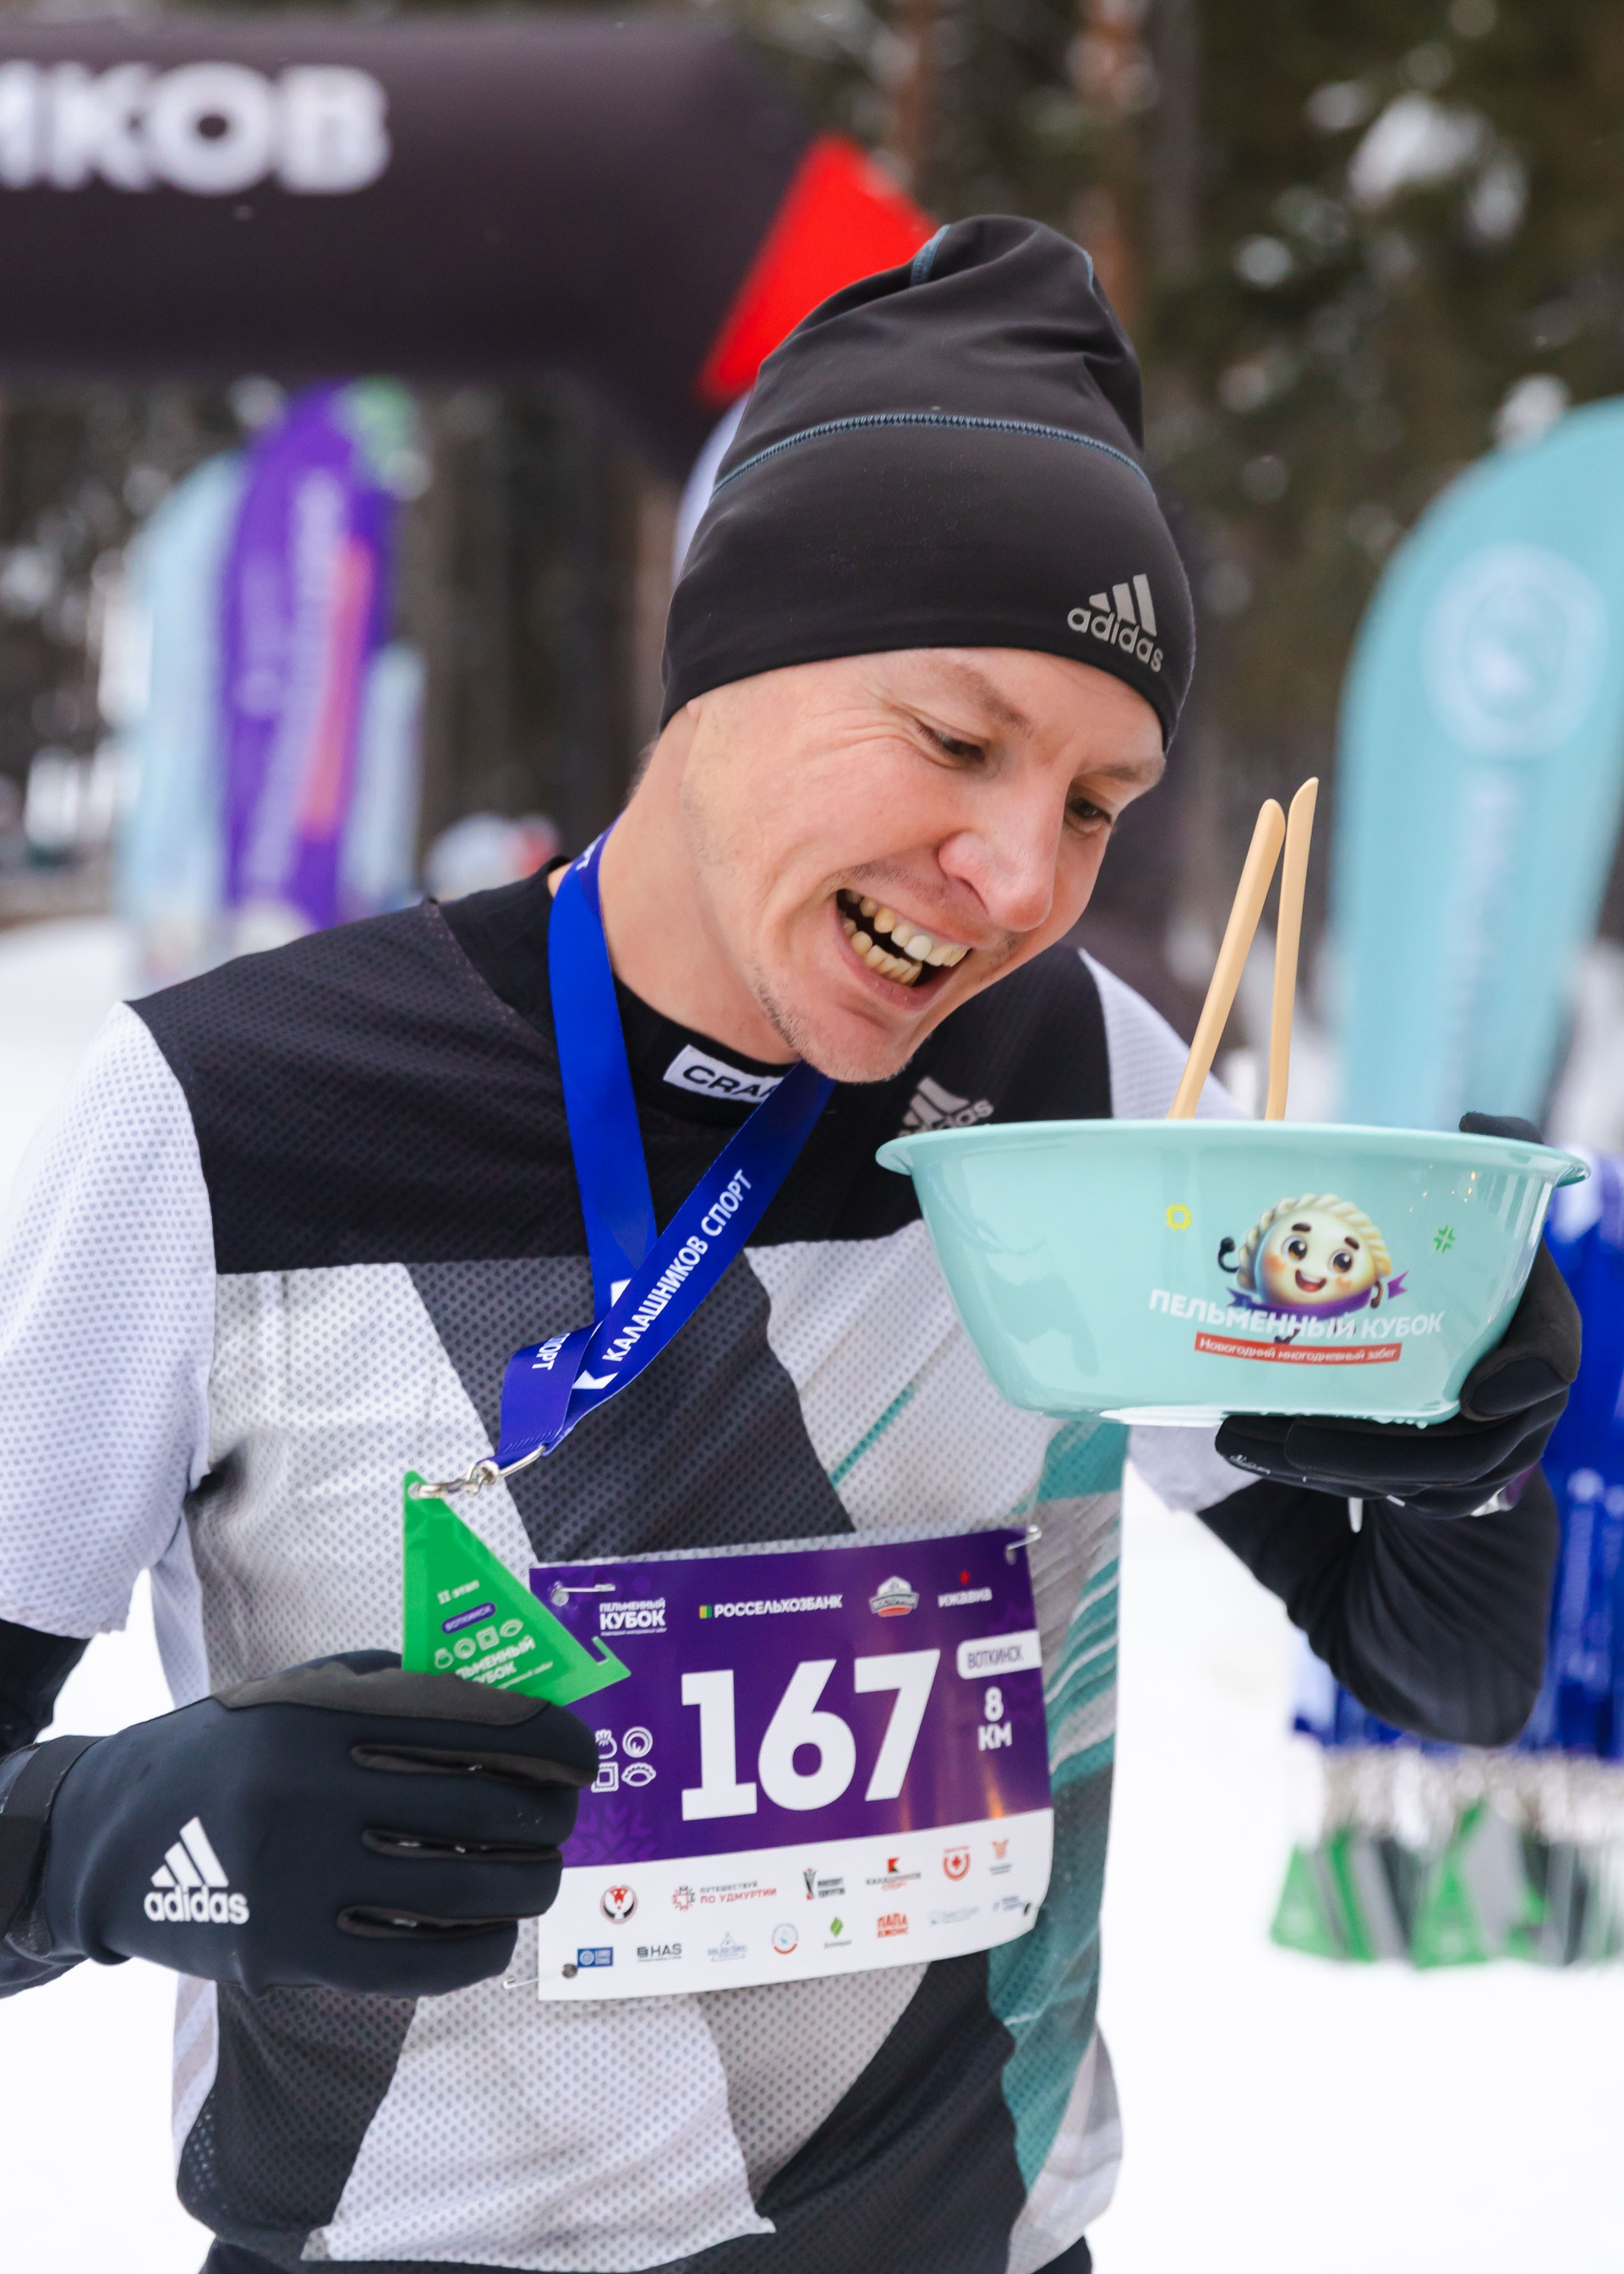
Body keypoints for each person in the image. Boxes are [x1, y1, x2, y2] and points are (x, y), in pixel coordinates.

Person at [0, 218, 1576, 2274]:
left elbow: (1434, 1662)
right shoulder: (232, 1111)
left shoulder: (1077, 1077)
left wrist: (1466, 1435)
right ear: (731, 666)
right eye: (954, 740)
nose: (1021, 877)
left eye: (1100, 800)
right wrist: (108, 1844)